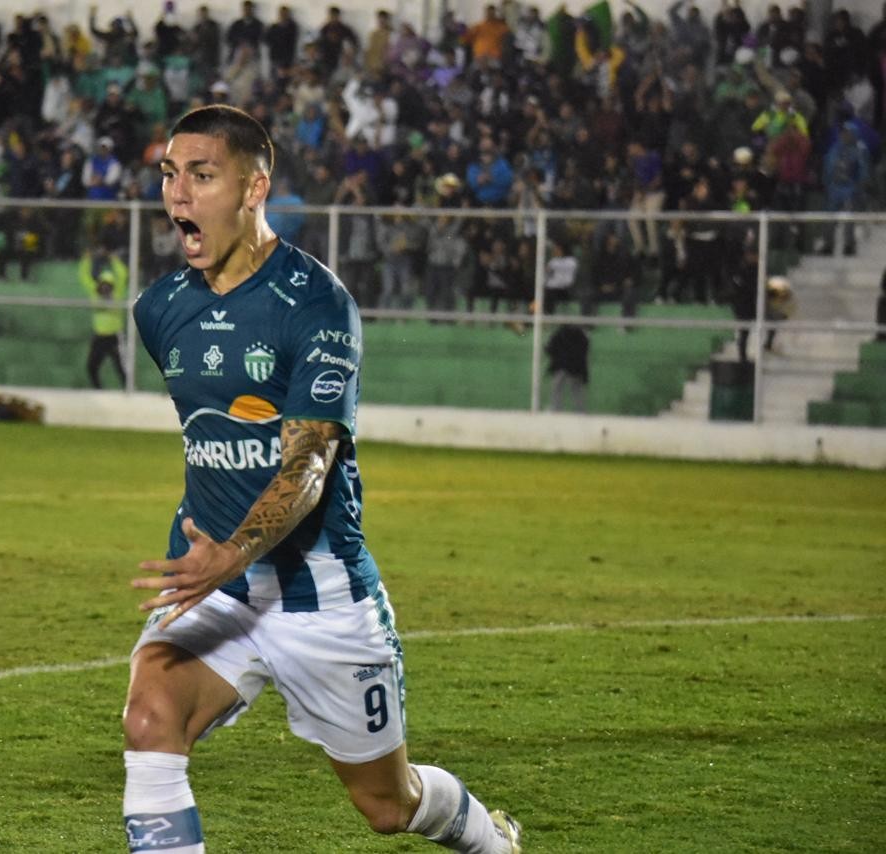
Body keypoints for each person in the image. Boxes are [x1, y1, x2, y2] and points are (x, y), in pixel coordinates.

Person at [124, 104, 522, 854]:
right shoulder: (161, 309)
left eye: (201, 175)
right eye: (170, 174)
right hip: (219, 586)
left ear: (254, 188)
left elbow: (308, 464)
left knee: (388, 804)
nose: (177, 193)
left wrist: (234, 550)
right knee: (150, 719)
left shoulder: (317, 303)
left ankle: (492, 841)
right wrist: (222, 559)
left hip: (322, 594)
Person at [79, 246, 128, 390]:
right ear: (99, 285)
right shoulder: (94, 293)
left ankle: (129, 392)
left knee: (122, 369)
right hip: (99, 336)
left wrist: (113, 259)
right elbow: (84, 276)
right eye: (103, 284)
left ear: (112, 285)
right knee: (91, 366)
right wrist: (87, 259)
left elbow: (123, 274)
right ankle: (99, 391)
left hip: (115, 336)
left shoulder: (118, 293)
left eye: (108, 285)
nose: (105, 288)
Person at [545, 324, 589, 412]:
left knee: (558, 386)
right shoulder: (581, 336)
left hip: (564, 366)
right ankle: (579, 410)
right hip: (575, 367)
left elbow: (549, 348)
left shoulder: (559, 333)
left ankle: (556, 408)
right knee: (575, 388)